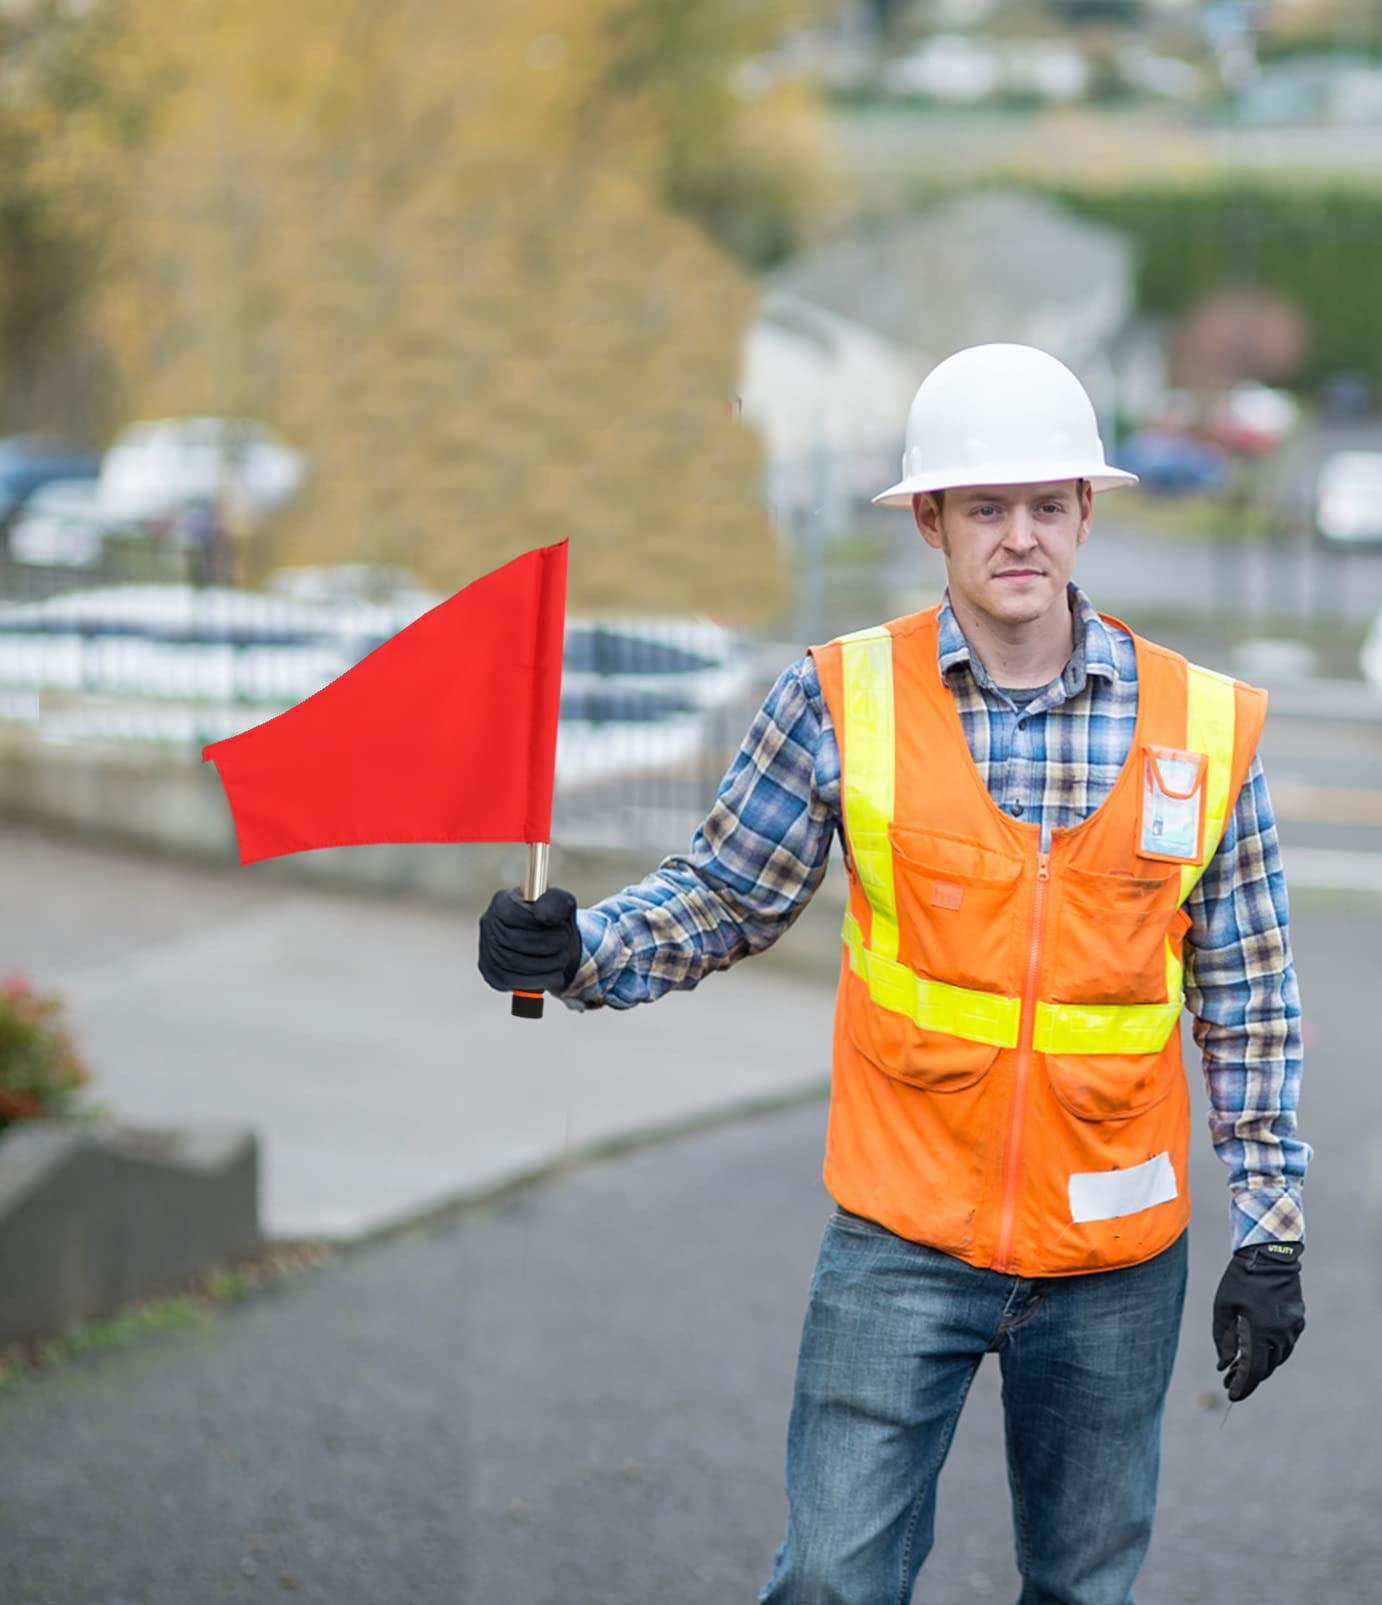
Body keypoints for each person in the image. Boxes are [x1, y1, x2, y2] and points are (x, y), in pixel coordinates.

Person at [478, 343, 1310, 1605]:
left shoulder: (1204, 726)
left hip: (1114, 1257)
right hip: (902, 1233)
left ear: (1088, 510)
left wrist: (1273, 1230)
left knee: (1086, 1589)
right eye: (986, 507)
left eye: (1046, 505)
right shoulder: (838, 698)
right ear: (931, 520)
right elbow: (723, 892)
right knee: (830, 1580)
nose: (1019, 537)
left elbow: (1248, 995)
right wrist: (581, 946)